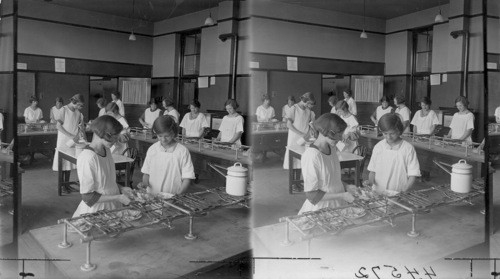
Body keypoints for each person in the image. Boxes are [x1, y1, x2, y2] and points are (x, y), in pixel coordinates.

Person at [71, 115, 132, 217]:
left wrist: (121, 188)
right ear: (103, 135)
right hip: (97, 209)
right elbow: (88, 198)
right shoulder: (88, 158)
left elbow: (106, 182)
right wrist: (117, 197)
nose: (115, 142)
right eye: (114, 138)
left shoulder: (106, 150)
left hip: (112, 205)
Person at [298, 113, 354, 214]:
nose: (341, 138)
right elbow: (312, 196)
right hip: (321, 208)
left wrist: (347, 186)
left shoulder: (332, 148)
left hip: (338, 204)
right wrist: (342, 195)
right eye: (339, 135)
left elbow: (331, 181)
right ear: (327, 133)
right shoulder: (312, 156)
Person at [139, 115, 195, 195]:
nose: (163, 139)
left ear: (174, 133)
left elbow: (187, 178)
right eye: (160, 136)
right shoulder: (153, 149)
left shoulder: (182, 151)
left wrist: (178, 195)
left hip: (173, 196)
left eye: (167, 136)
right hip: (152, 195)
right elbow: (146, 173)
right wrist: (144, 184)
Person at [366, 113, 421, 193]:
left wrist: (404, 189)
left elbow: (413, 174)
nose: (388, 137)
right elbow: (372, 170)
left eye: (392, 133)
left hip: (398, 192)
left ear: (399, 131)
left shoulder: (408, 149)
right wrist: (370, 183)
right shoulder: (378, 147)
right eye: (385, 133)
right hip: (378, 192)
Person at [52, 94, 85, 193]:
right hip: (63, 141)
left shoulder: (78, 112)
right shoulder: (64, 110)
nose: (80, 107)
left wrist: (80, 135)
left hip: (73, 141)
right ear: (74, 102)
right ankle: (61, 186)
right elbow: (58, 126)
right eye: (79, 105)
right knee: (62, 163)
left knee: (69, 162)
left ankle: (67, 185)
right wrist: (70, 135)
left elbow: (79, 126)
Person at [283, 92, 316, 170]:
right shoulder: (294, 108)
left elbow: (309, 123)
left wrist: (311, 130)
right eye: (308, 104)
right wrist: (301, 134)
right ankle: (293, 181)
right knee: (293, 161)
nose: (308, 106)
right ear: (304, 101)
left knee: (302, 161)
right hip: (294, 137)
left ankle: (298, 180)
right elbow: (289, 125)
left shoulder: (308, 111)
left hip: (304, 138)